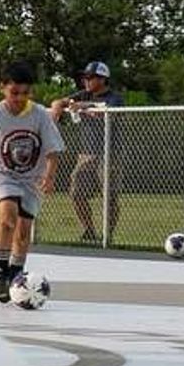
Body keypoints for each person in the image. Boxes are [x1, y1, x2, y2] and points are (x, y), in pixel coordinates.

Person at [0, 60, 63, 301]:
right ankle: (0, 271)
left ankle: (15, 274)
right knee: (8, 215)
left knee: (23, 231)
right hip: (3, 174)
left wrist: (49, 177)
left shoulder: (40, 115)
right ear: (2, 88)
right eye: (14, 92)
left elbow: (53, 152)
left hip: (32, 179)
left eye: (25, 93)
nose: (19, 98)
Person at [49, 60, 121, 243]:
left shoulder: (114, 97)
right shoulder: (84, 94)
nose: (86, 81)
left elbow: (108, 110)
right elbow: (61, 100)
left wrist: (84, 106)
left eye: (91, 77)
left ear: (103, 79)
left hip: (109, 154)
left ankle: (107, 236)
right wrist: (58, 105)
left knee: (110, 196)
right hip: (86, 154)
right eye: (85, 77)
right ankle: (89, 231)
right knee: (76, 192)